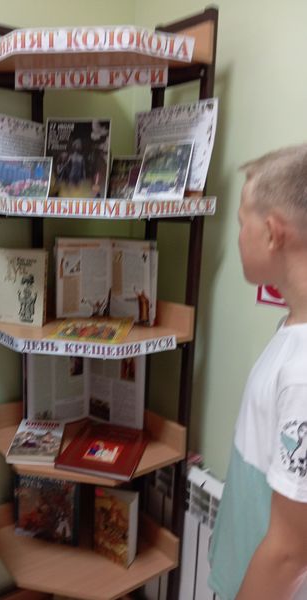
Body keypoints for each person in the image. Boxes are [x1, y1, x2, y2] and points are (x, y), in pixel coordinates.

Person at [208, 145, 307, 600]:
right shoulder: (292, 327)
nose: (238, 237)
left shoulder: (302, 372)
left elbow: (290, 552)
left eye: (241, 222)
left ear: (271, 233)